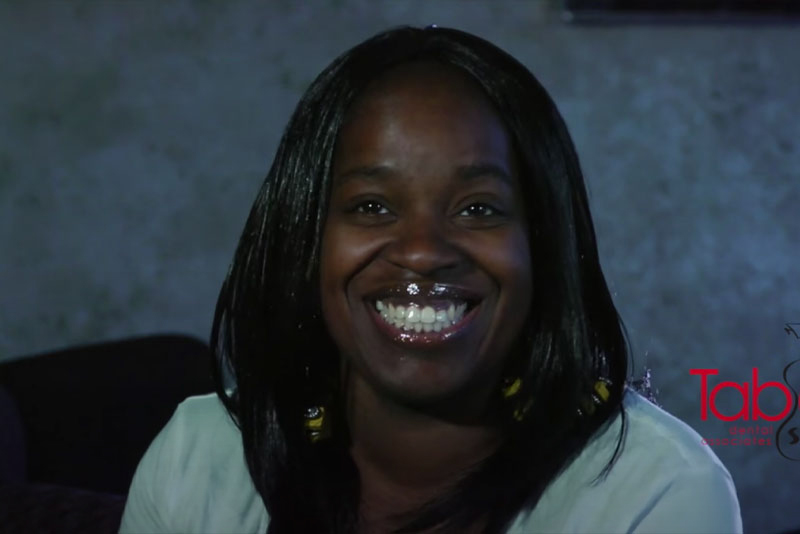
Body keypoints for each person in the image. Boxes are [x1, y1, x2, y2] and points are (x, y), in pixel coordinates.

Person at [120, 26, 742, 533]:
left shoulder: (658, 491)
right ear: (305, 239)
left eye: (478, 209)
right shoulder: (197, 459)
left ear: (544, 245)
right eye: (371, 207)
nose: (422, 252)